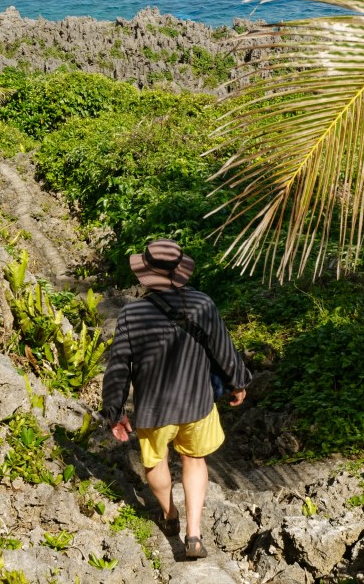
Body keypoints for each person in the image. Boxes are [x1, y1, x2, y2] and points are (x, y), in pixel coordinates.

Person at [101, 239, 251, 560]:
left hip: (153, 407)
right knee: (194, 461)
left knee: (155, 462)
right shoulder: (202, 304)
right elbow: (223, 350)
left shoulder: (132, 314)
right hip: (196, 402)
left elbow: (118, 366)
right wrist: (238, 382)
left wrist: (114, 411)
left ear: (145, 274)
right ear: (180, 272)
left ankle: (170, 515)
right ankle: (193, 535)